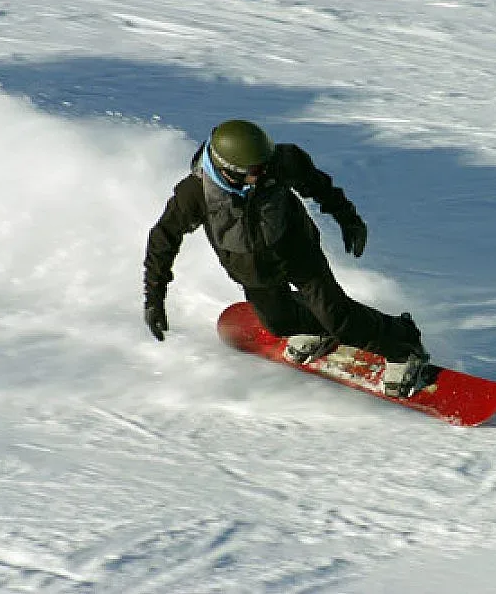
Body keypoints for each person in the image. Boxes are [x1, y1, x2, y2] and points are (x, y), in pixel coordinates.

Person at [143, 120, 429, 393]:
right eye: (254, 170)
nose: (263, 174)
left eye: (264, 165)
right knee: (280, 324)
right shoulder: (194, 194)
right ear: (228, 169)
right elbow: (162, 241)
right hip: (253, 271)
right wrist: (154, 297)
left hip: (298, 252)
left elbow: (319, 186)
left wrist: (348, 219)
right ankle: (318, 329)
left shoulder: (281, 162)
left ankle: (403, 344)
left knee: (340, 319)